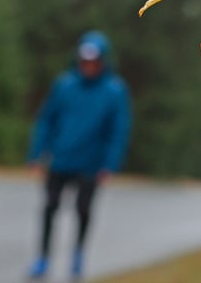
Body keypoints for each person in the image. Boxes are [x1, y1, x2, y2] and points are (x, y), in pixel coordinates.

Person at [26, 30, 131, 281]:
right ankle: (42, 258)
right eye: (85, 60)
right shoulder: (64, 84)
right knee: (50, 208)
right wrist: (37, 153)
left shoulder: (114, 91)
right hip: (60, 158)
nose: (89, 66)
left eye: (94, 61)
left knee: (83, 211)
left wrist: (110, 163)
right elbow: (46, 120)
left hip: (91, 163)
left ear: (103, 61)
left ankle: (77, 256)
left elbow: (118, 130)